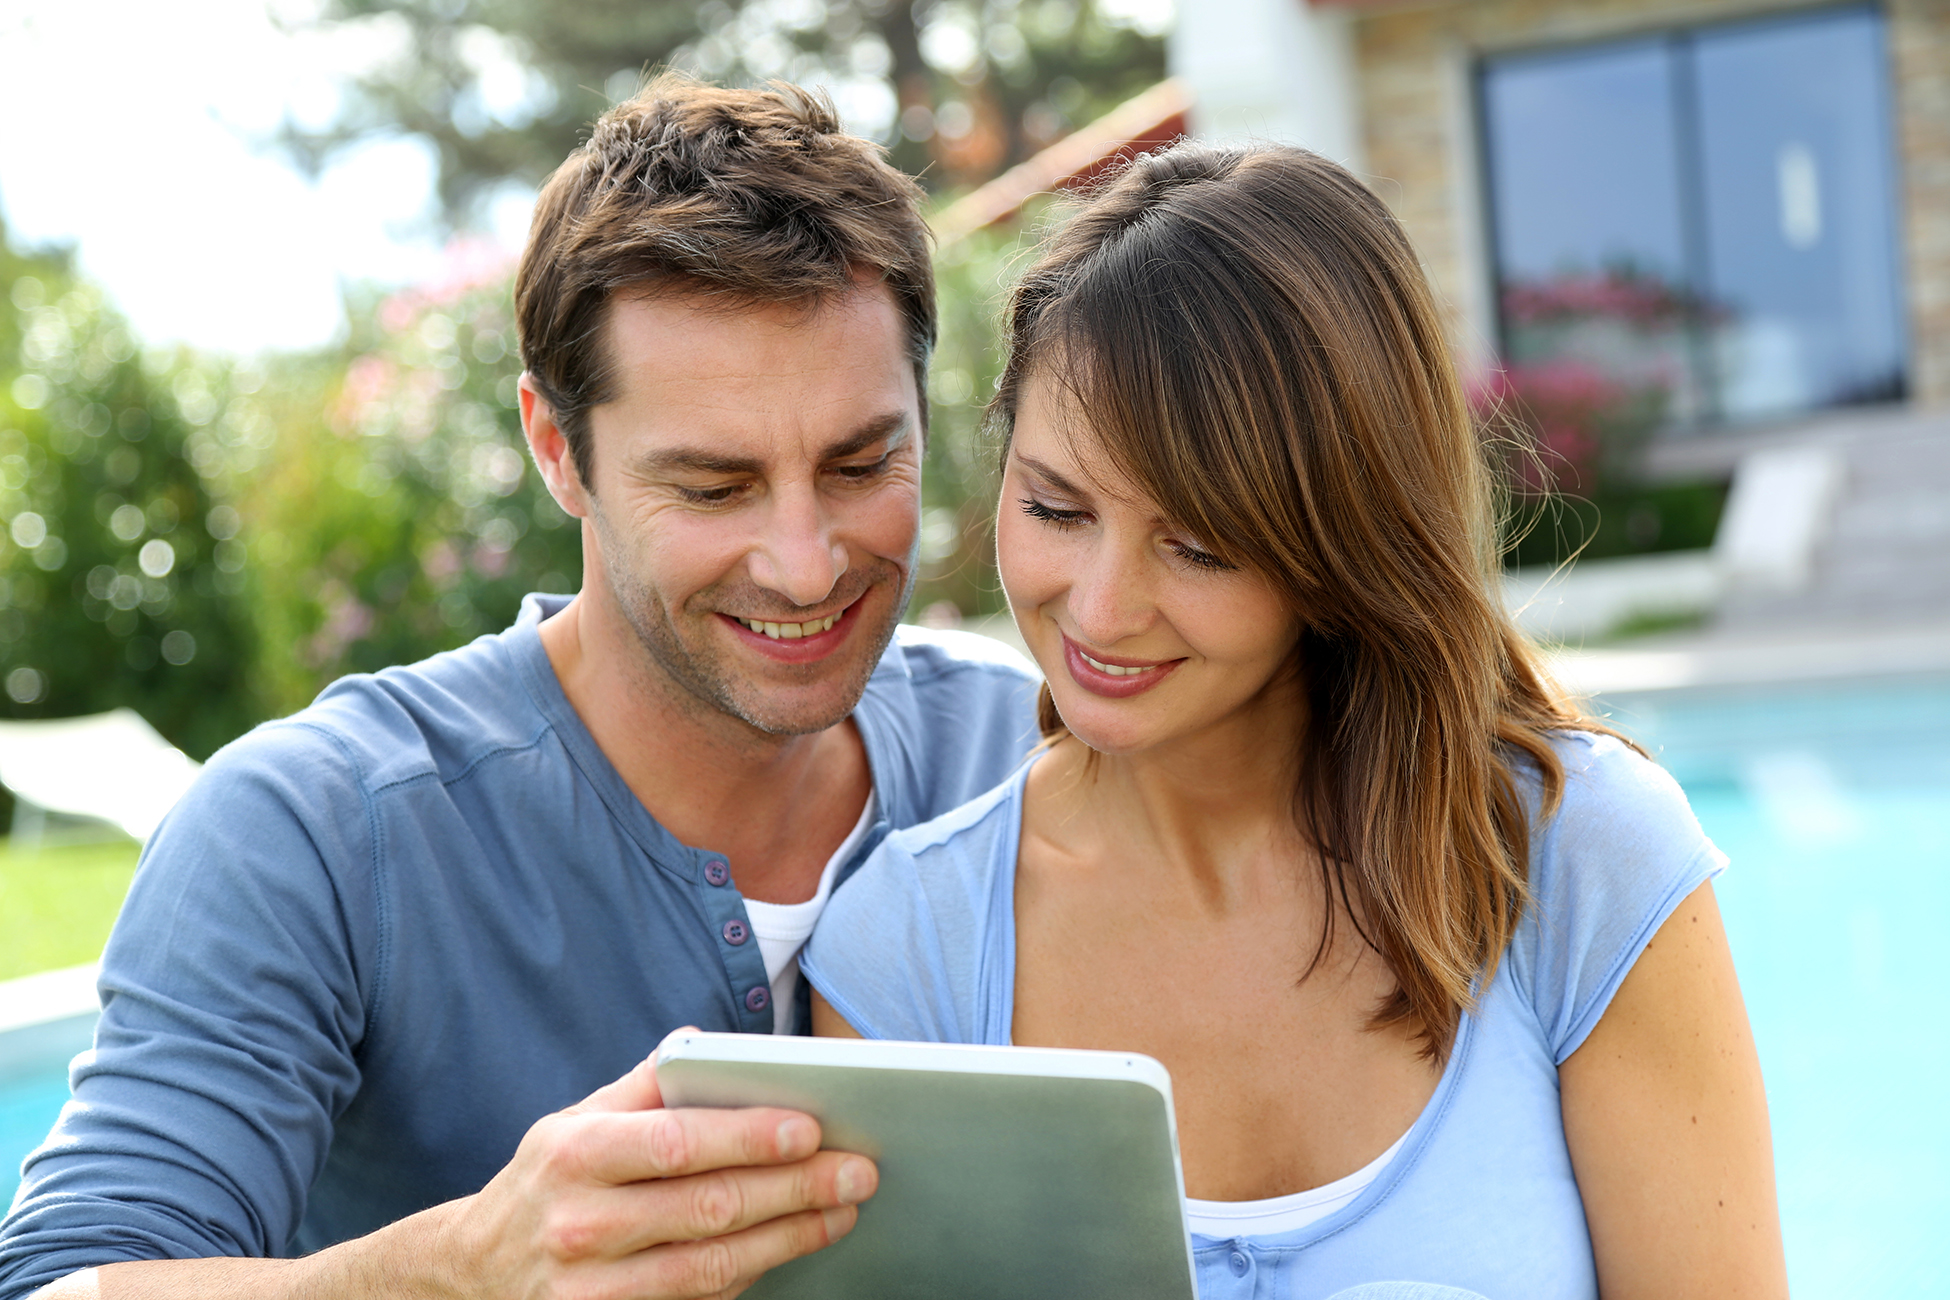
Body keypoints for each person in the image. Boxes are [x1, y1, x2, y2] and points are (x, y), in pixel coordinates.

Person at [0, 76, 1040, 1300]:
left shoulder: (1028, 748)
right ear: (558, 450)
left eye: (864, 462)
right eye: (712, 487)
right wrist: (462, 1269)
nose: (806, 560)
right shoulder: (318, 828)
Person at [804, 143, 1790, 1298]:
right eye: (1056, 508)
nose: (1105, 607)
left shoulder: (1581, 859)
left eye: (1200, 542)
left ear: (1342, 537)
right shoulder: (904, 949)